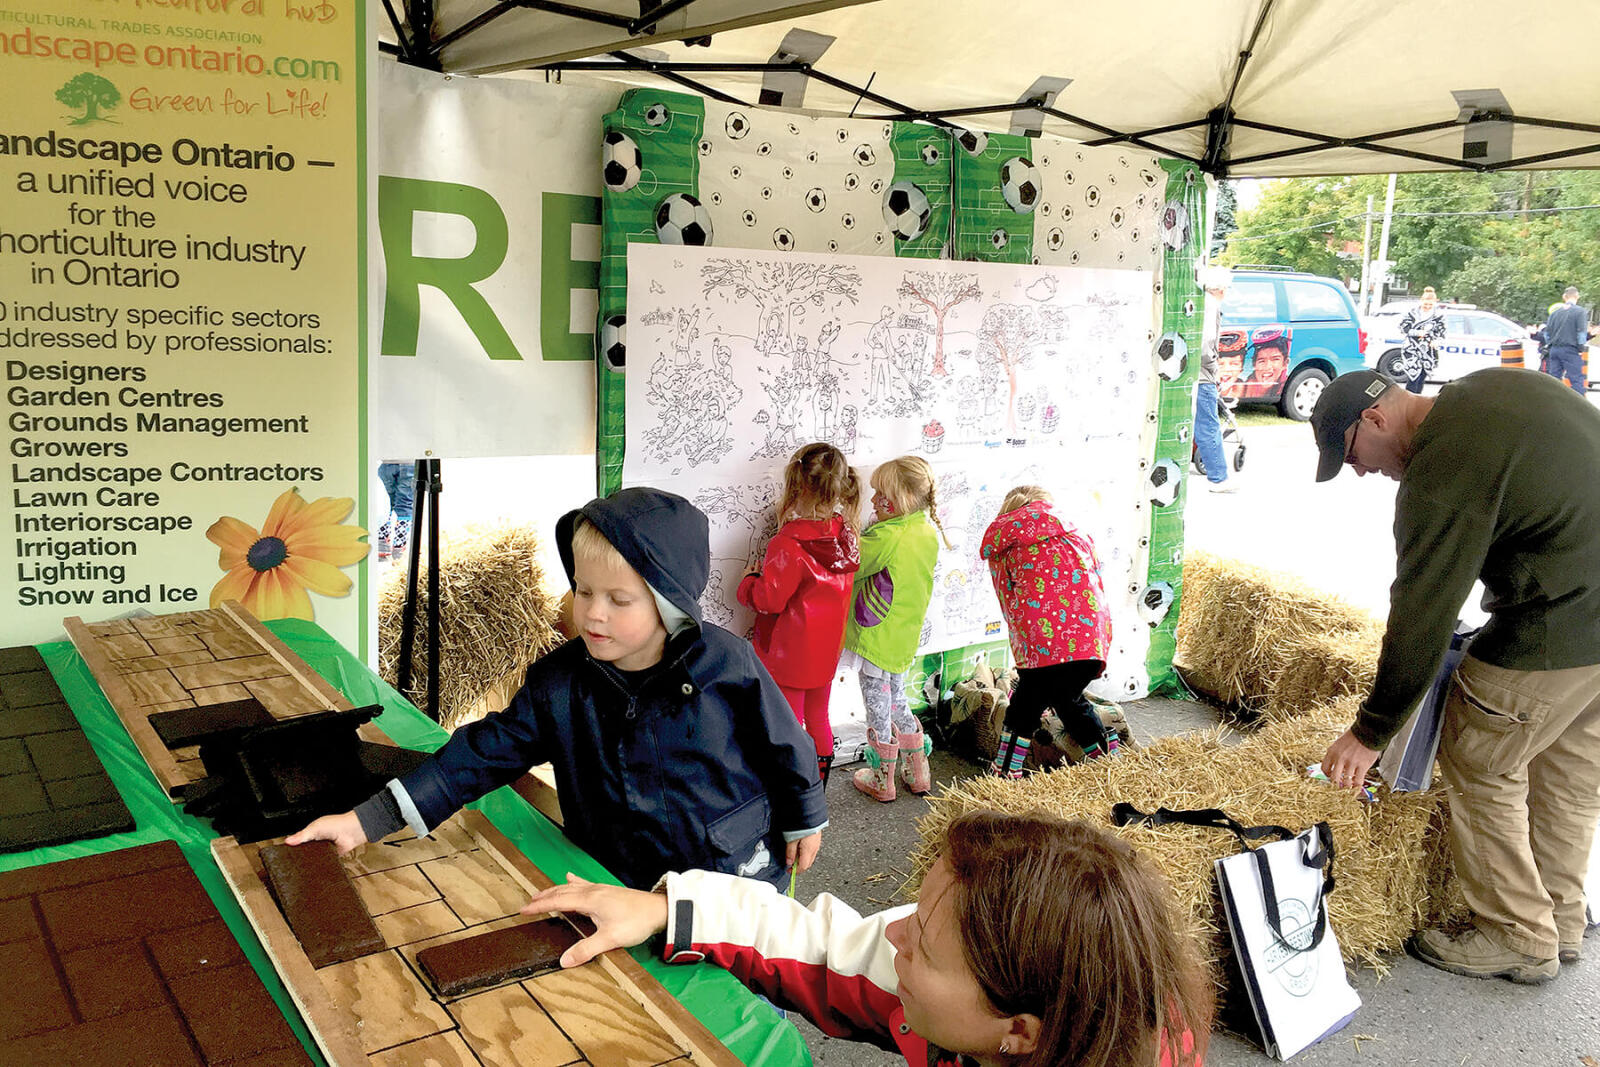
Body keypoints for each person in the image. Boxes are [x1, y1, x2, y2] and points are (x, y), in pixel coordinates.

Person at [289, 487, 828, 890]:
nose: (593, 613)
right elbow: (478, 755)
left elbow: (786, 744)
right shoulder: (559, 683)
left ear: (670, 605)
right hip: (620, 877)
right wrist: (367, 820)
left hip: (731, 871)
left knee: (745, 996)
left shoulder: (728, 663)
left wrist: (805, 816)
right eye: (584, 591)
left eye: (619, 600)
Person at [1310, 368, 1600, 984]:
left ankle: (1518, 934)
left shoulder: (1443, 465)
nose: (1359, 471)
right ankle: (1561, 920)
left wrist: (1370, 732)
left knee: (1479, 755)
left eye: (1350, 454)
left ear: (1376, 419)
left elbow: (1424, 609)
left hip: (1560, 624)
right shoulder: (1492, 389)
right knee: (1567, 770)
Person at [521, 810, 1211, 1067]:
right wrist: (664, 906)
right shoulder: (1002, 990)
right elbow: (821, 943)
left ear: (1019, 1031)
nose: (897, 932)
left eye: (927, 946)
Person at [738, 443, 862, 786]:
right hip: (825, 652)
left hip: (789, 654)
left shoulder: (789, 544)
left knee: (788, 724)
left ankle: (791, 790)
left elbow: (769, 600)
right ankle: (815, 788)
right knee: (819, 717)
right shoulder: (845, 533)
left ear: (796, 486)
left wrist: (748, 582)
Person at [980, 487, 1116, 777]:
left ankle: (1006, 771)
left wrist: (1024, 653)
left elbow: (1009, 603)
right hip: (1089, 642)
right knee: (1069, 701)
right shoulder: (1075, 533)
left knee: (1025, 707)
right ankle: (1107, 762)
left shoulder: (1006, 546)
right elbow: (1096, 586)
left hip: (1043, 647)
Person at [845, 456, 951, 802]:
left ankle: (882, 778)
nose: (874, 501)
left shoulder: (888, 535)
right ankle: (918, 772)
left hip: (877, 635)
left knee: (877, 707)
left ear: (903, 497)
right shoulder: (924, 530)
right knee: (897, 702)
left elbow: (850, 562)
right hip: (902, 635)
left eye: (880, 494)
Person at [1193, 267, 1235, 492]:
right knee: (1208, 424)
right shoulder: (1211, 306)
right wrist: (1213, 368)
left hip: (1193, 373)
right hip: (1203, 375)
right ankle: (1218, 477)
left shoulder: (1199, 302)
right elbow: (1206, 344)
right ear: (1219, 288)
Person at [1543, 286, 1593, 395]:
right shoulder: (1580, 312)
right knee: (1576, 380)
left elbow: (1547, 334)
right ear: (1577, 296)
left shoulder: (1555, 313)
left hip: (1554, 350)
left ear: (1564, 297)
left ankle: (1553, 402)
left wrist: (1550, 345)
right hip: (1570, 350)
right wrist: (1580, 347)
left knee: (1554, 380)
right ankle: (1578, 406)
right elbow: (1581, 333)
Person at [1396, 286, 1446, 395]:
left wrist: (1437, 341)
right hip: (1412, 348)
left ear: (1434, 303)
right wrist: (1417, 333)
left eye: (1430, 305)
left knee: (1422, 376)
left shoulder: (1438, 316)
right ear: (1421, 301)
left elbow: (1442, 332)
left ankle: (1417, 399)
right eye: (1425, 304)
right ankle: (1408, 399)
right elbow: (1402, 328)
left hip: (1428, 350)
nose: (1427, 307)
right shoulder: (1412, 313)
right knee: (1413, 376)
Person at [377, 461, 416, 561]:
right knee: (405, 504)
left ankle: (382, 543)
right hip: (409, 463)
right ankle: (399, 547)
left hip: (387, 463)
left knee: (386, 502)